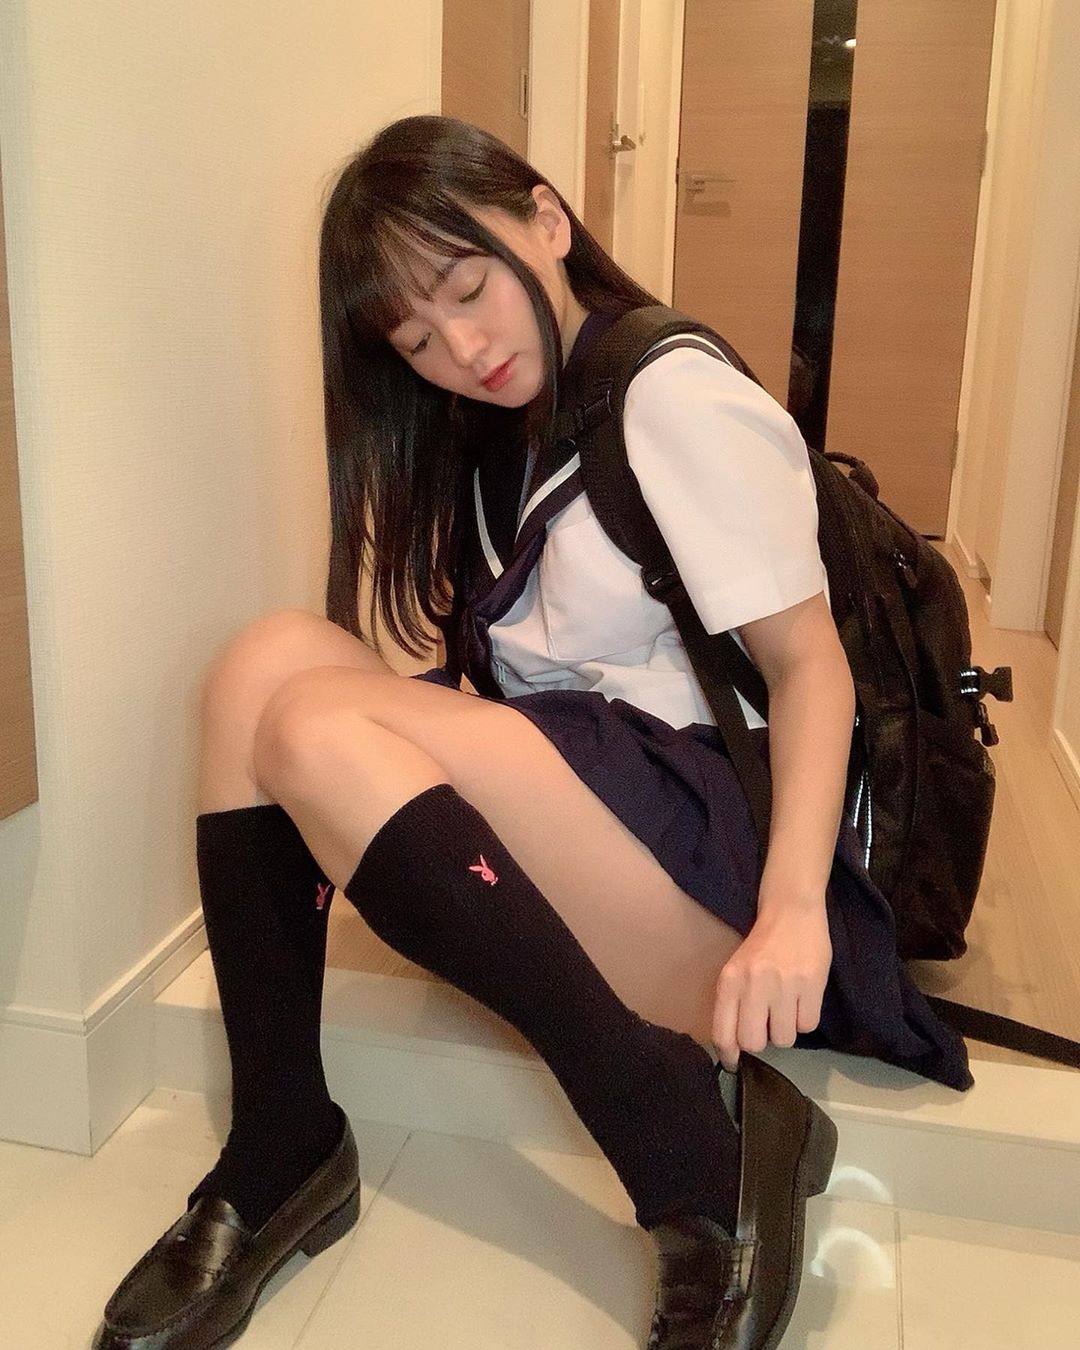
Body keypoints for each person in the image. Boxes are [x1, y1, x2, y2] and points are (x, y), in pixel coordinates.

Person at [93, 115, 973, 1350]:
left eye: (467, 288)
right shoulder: (498, 433)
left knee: (311, 727)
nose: (462, 348)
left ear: (547, 222)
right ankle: (281, 1141)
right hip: (614, 811)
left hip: (728, 876)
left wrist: (790, 917)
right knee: (259, 667)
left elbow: (809, 668)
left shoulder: (670, 396)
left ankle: (684, 1145)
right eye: (416, 337)